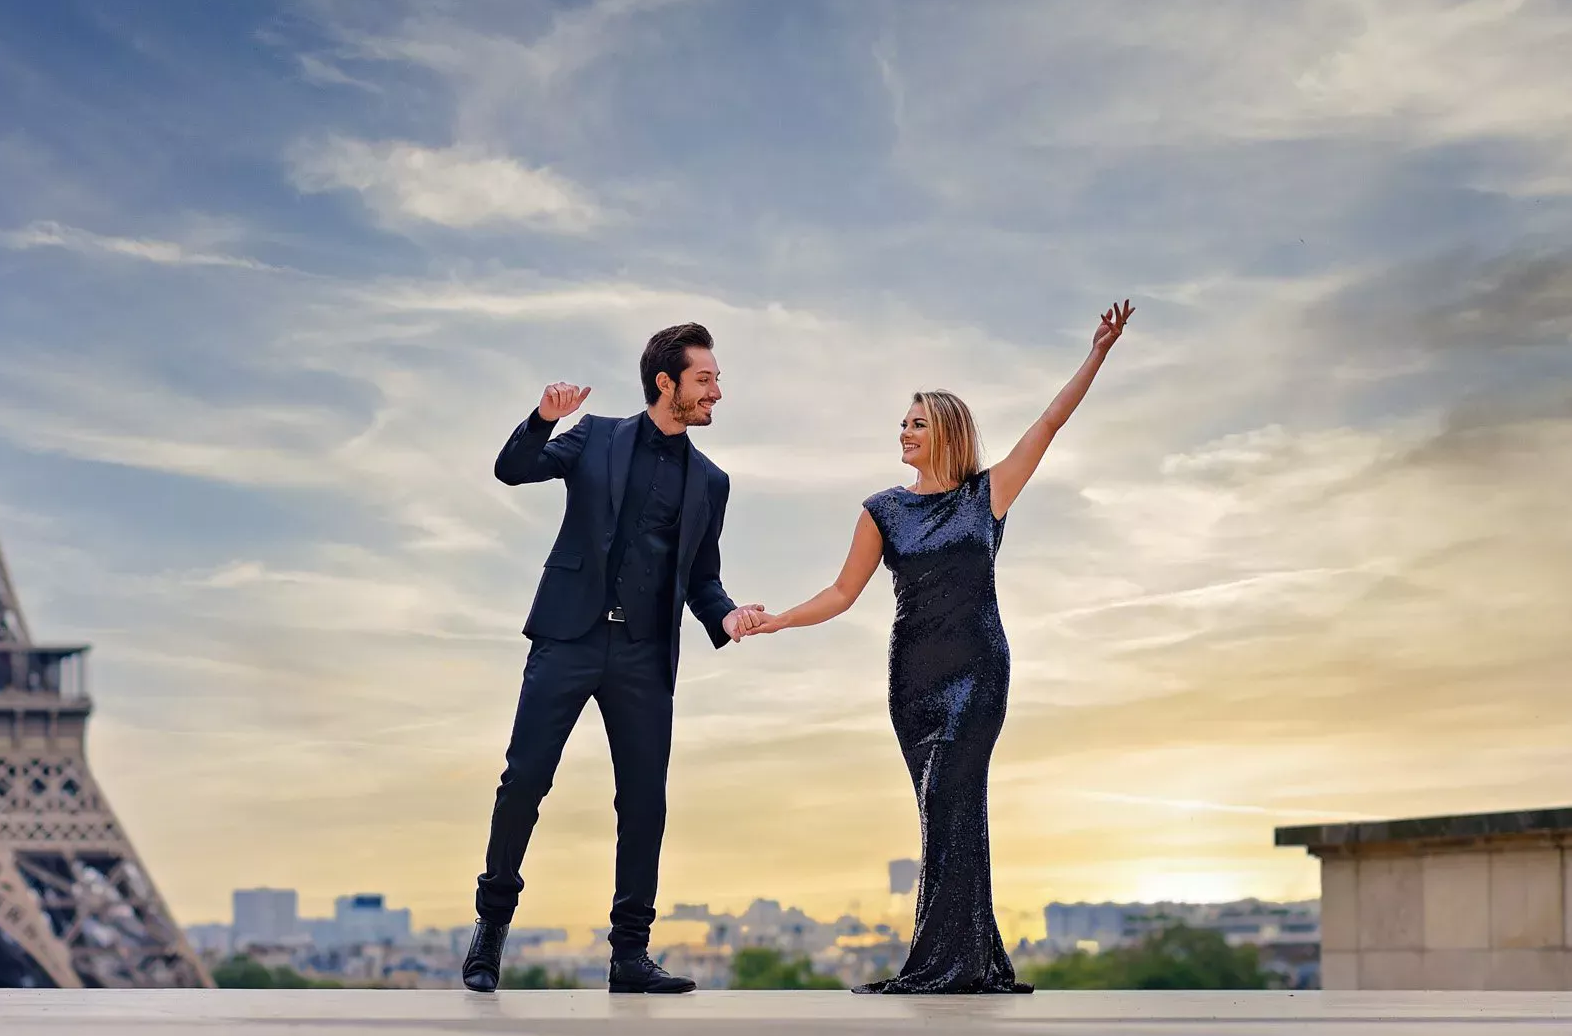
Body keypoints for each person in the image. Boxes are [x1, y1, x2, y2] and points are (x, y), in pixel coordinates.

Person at [739, 301, 1134, 992]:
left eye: (916, 422)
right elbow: (840, 594)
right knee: (944, 814)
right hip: (912, 681)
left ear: (946, 431)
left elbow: (1049, 423)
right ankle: (963, 961)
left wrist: (1096, 353)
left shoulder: (989, 494)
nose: (903, 431)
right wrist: (776, 621)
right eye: (902, 422)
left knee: (953, 795)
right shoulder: (881, 510)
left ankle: (947, 965)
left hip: (978, 672)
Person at [463, 323, 764, 994]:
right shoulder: (595, 436)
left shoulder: (711, 482)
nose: (717, 390)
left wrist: (728, 615)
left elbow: (703, 579)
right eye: (705, 379)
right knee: (523, 783)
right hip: (567, 637)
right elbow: (513, 469)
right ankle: (490, 933)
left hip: (643, 654)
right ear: (667, 383)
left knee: (643, 804)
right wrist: (543, 420)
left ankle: (630, 955)